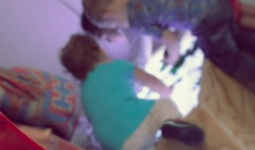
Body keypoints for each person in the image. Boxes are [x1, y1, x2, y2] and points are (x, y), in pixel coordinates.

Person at [82, 0, 255, 107]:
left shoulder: (135, 19)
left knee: (229, 60)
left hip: (205, 19)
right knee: (236, 35)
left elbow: (171, 40)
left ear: (109, 14)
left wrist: (171, 58)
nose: (121, 26)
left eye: (115, 25)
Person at [61, 34, 204, 150]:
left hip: (118, 146)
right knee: (163, 105)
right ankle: (173, 123)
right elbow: (151, 82)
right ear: (99, 51)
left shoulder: (83, 96)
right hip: (139, 122)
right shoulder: (116, 66)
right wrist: (167, 91)